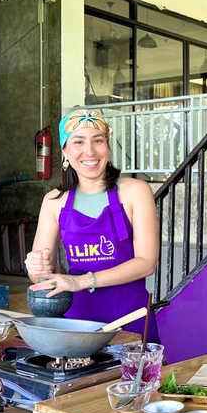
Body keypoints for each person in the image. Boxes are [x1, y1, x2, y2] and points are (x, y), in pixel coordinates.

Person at [25, 109, 159, 340]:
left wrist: (82, 281)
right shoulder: (54, 201)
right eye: (78, 142)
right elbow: (44, 279)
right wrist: (37, 269)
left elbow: (147, 263)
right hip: (78, 325)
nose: (90, 151)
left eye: (98, 140)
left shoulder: (136, 191)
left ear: (107, 147)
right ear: (65, 151)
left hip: (130, 320)